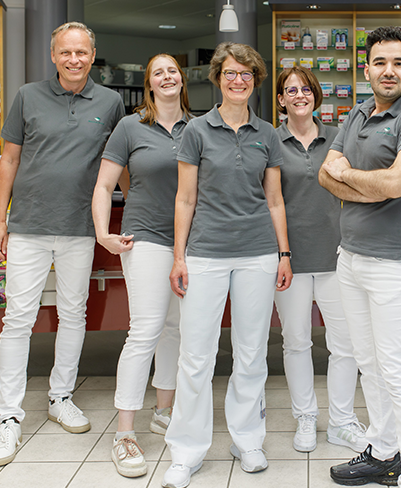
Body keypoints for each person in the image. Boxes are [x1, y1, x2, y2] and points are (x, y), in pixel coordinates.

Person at [0, 22, 124, 467]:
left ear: (92, 54)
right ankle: (8, 417)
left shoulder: (111, 101)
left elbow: (119, 163)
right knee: (17, 318)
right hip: (27, 226)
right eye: (66, 52)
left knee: (73, 314)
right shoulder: (27, 96)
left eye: (82, 52)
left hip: (79, 227)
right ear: (53, 55)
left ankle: (60, 396)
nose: (74, 60)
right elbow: (9, 159)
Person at [161, 42, 292, 488]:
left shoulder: (268, 134)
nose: (239, 81)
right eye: (231, 74)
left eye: (248, 74)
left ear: (256, 81)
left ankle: (248, 439)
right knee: (195, 356)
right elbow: (185, 198)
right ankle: (185, 450)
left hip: (257, 252)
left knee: (252, 354)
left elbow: (275, 200)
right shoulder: (196, 131)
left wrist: (283, 253)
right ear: (217, 78)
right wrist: (179, 257)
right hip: (206, 253)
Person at [319, 26, 401, 488]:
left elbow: (397, 184)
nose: (389, 71)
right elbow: (325, 176)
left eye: (398, 63)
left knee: (399, 368)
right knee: (369, 362)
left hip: (395, 261)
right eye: (380, 63)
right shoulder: (357, 113)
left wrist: (354, 178)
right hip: (350, 257)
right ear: (366, 68)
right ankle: (384, 452)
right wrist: (363, 184)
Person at [92, 53, 191, 478]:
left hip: (191, 243)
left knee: (177, 329)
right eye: (158, 73)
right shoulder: (131, 127)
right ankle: (125, 433)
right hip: (145, 238)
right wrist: (102, 232)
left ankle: (164, 411)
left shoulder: (200, 126)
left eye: (173, 71)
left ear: (181, 80)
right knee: (146, 329)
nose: (167, 77)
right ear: (149, 84)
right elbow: (104, 184)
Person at [273, 66, 366, 454]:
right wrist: (283, 254)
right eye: (290, 90)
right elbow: (271, 201)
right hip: (290, 260)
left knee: (344, 345)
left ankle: (342, 421)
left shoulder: (338, 139)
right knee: (295, 342)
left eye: (305, 89)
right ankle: (306, 417)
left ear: (316, 95)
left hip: (336, 256)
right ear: (280, 99)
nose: (299, 95)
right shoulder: (270, 140)